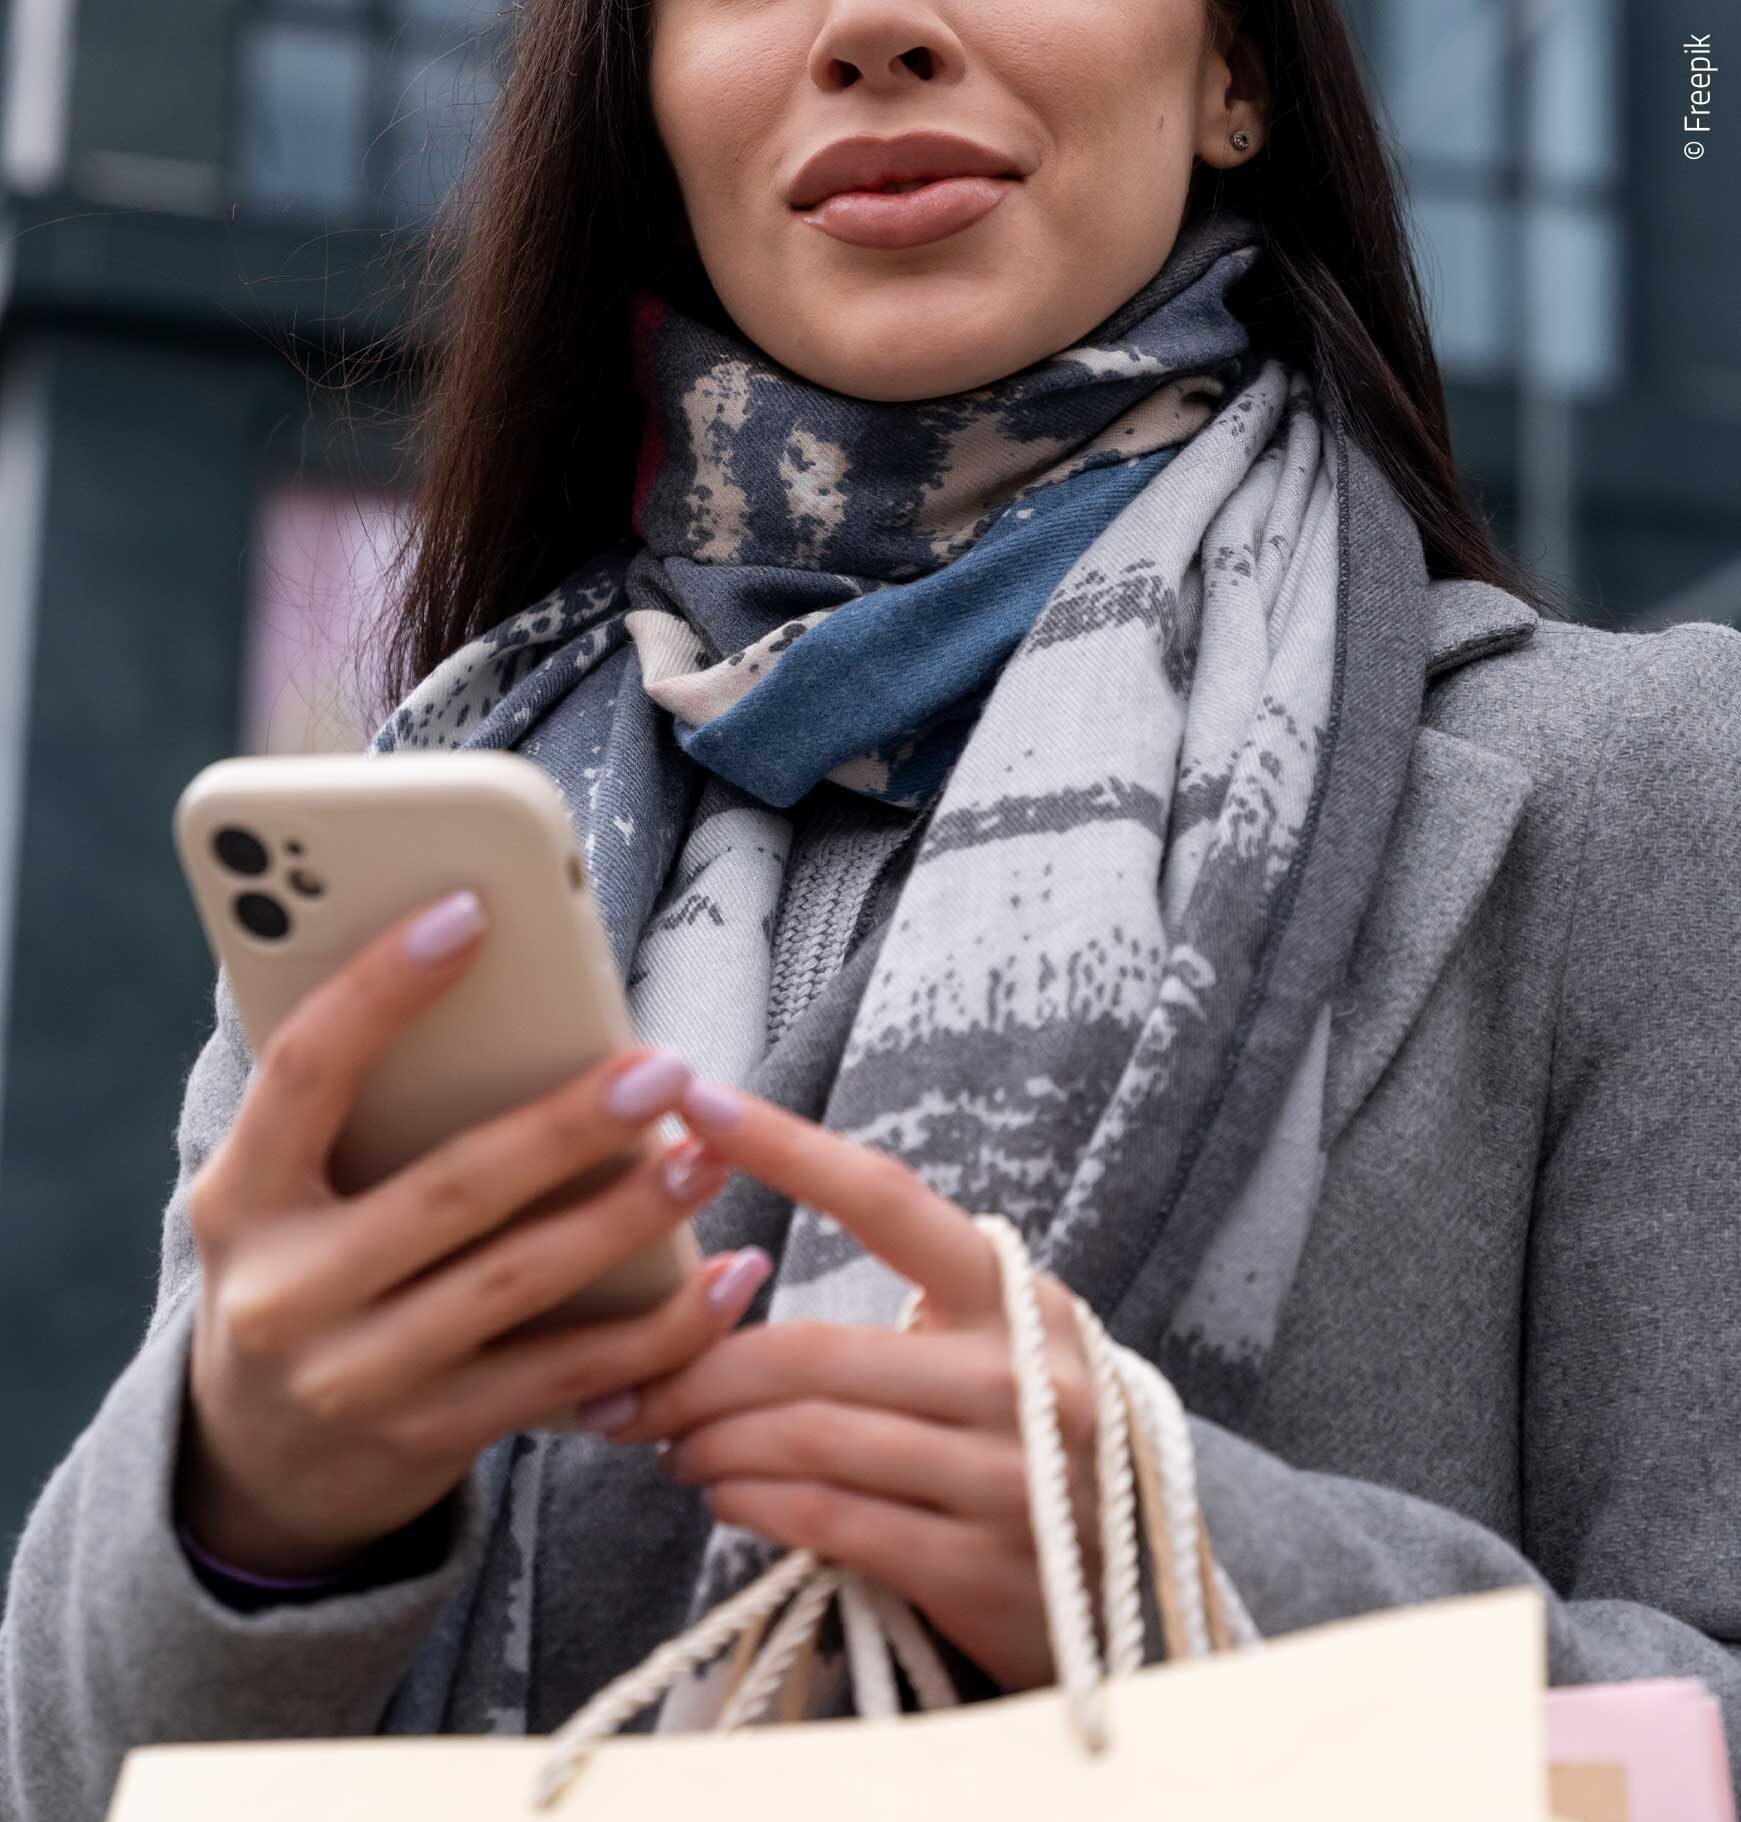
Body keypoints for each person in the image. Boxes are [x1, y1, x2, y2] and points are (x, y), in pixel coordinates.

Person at [6, 0, 1741, 1813]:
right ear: (651, 114)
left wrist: (1189, 1564)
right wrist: (252, 1511)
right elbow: (65, 1772)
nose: (876, 28)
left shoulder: (1621, 791)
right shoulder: (440, 833)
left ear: (1233, 77)